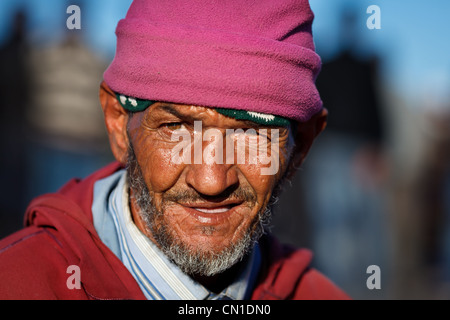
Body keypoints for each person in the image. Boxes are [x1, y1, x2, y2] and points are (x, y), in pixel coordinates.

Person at [0, 0, 349, 300]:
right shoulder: (17, 283)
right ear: (118, 125)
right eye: (175, 128)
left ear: (300, 146)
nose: (211, 181)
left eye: (252, 134)